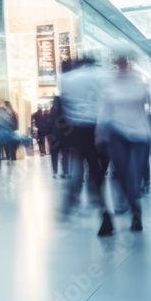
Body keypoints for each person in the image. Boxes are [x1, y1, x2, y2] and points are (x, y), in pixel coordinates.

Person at [96, 54, 151, 235]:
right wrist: (100, 132)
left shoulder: (139, 82)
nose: (120, 66)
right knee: (121, 172)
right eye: (118, 63)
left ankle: (136, 211)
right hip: (117, 133)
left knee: (133, 175)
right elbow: (105, 109)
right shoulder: (110, 84)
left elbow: (144, 100)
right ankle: (134, 209)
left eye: (123, 62)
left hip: (139, 134)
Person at [60, 57, 105, 217]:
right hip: (95, 128)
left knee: (77, 166)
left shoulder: (67, 79)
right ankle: (99, 199)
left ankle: (70, 201)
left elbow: (65, 107)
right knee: (95, 166)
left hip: (76, 130)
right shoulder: (99, 77)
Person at [48, 95, 70, 179]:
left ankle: (54, 172)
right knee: (65, 155)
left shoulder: (51, 113)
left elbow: (49, 126)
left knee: (54, 155)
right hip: (64, 137)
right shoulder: (65, 112)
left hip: (54, 137)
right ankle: (65, 171)